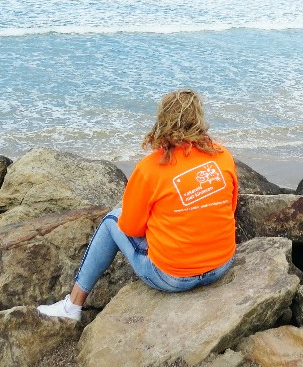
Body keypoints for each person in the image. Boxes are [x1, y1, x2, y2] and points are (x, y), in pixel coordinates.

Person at [37, 89, 239, 321]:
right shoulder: (222, 155)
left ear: (163, 120)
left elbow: (130, 228)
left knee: (111, 220)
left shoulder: (149, 168)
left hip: (172, 278)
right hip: (222, 264)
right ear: (199, 118)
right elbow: (230, 208)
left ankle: (72, 306)